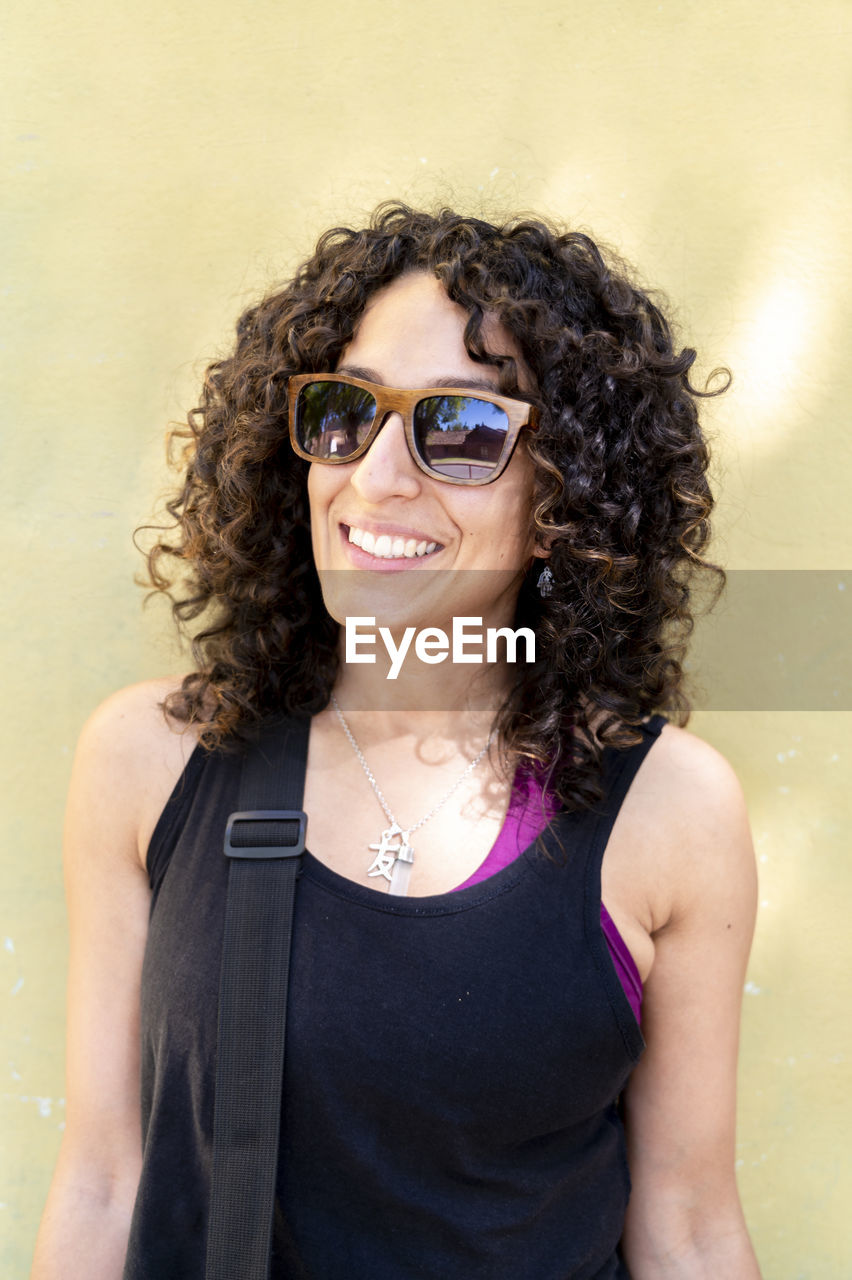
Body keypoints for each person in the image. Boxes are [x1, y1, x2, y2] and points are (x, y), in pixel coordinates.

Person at [32, 203, 762, 1279]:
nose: (374, 478)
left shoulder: (669, 810)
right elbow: (106, 1175)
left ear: (568, 495)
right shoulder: (152, 761)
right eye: (345, 414)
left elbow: (689, 1223)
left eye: (459, 428)